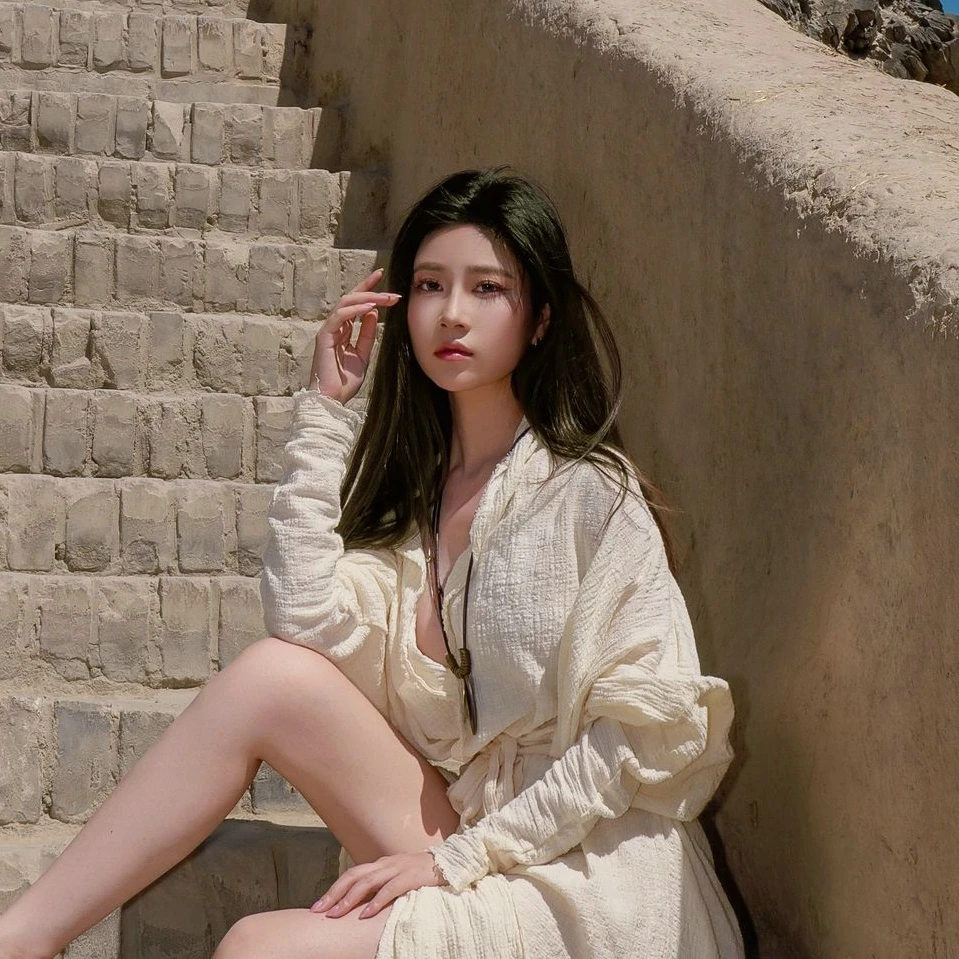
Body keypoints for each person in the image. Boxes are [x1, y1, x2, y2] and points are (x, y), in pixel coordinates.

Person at [0, 167, 744, 959]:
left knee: (260, 946)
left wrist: (456, 858)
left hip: (585, 868)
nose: (451, 312)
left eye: (487, 288)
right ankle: (21, 938)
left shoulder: (590, 492)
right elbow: (301, 617)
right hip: (477, 829)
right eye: (429, 284)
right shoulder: (417, 507)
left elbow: (633, 736)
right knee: (269, 674)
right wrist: (326, 412)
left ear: (539, 319)